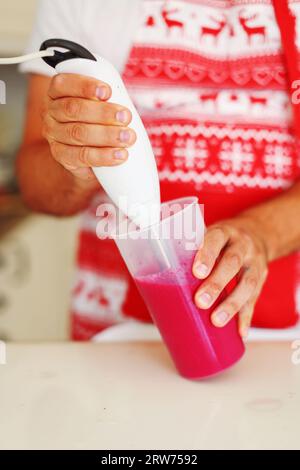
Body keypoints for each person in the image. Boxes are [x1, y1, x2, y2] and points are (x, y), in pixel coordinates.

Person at [17, 0, 300, 340]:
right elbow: (36, 190)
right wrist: (77, 163)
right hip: (117, 338)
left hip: (285, 346)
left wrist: (261, 232)